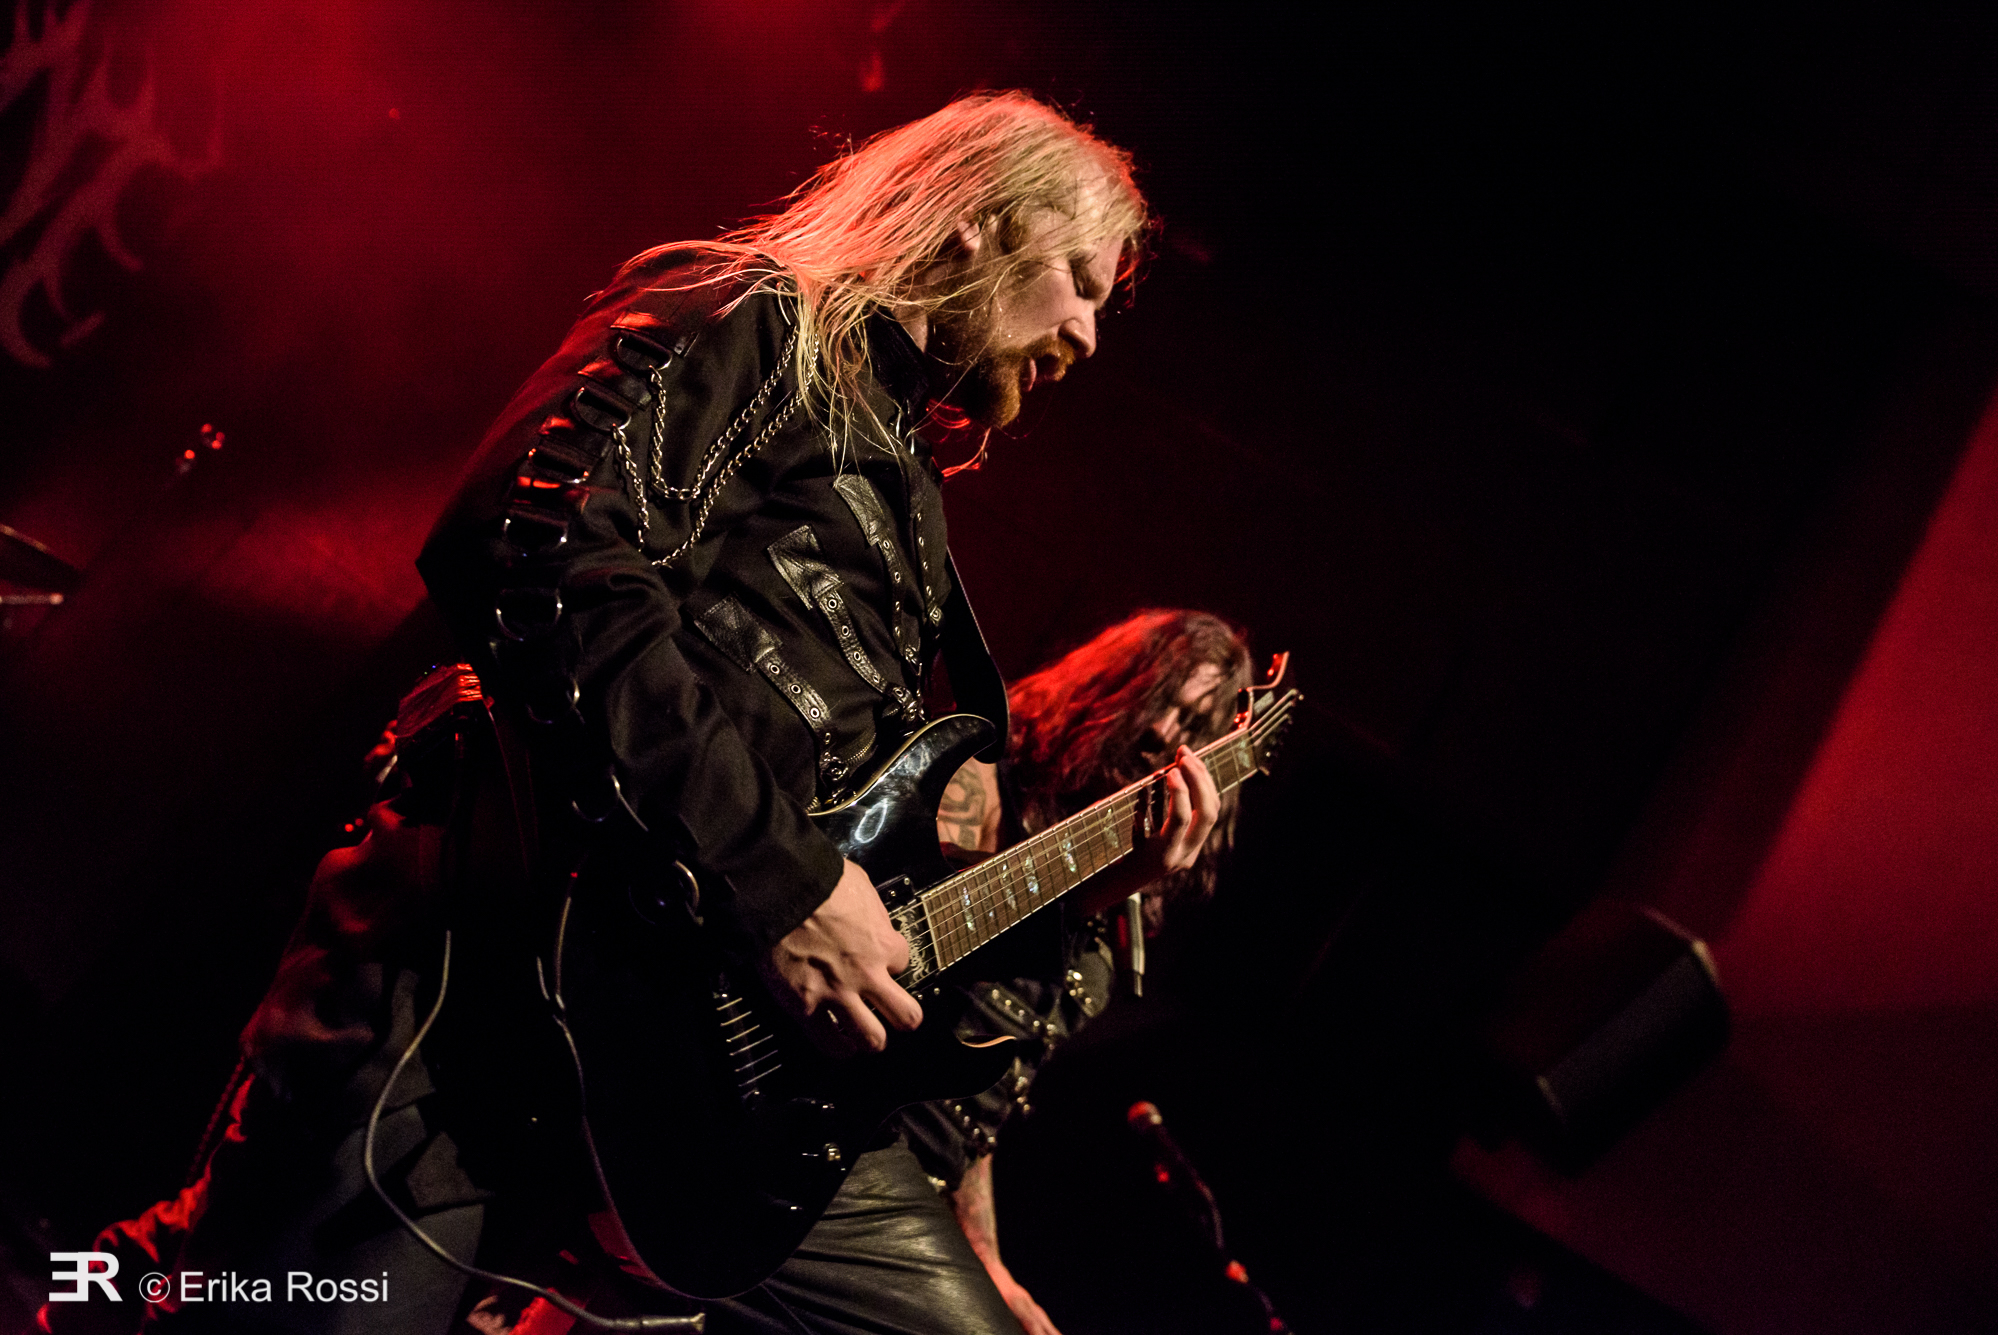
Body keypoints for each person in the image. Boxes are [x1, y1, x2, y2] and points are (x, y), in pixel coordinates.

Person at [43, 93, 1219, 1335]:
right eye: (1081, 280)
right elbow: (534, 544)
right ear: (978, 219)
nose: (1087, 331)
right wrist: (783, 886)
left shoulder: (899, 472)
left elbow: (844, 827)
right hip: (486, 978)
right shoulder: (756, 314)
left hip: (691, 1045)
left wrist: (1073, 899)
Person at [904, 609, 1253, 1335]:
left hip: (923, 1187)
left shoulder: (1129, 909)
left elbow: (979, 1100)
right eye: (1161, 701)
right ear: (1110, 688)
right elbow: (921, 956)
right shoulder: (987, 781)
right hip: (850, 1143)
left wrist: (991, 1263)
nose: (1165, 735)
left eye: (1195, 726)